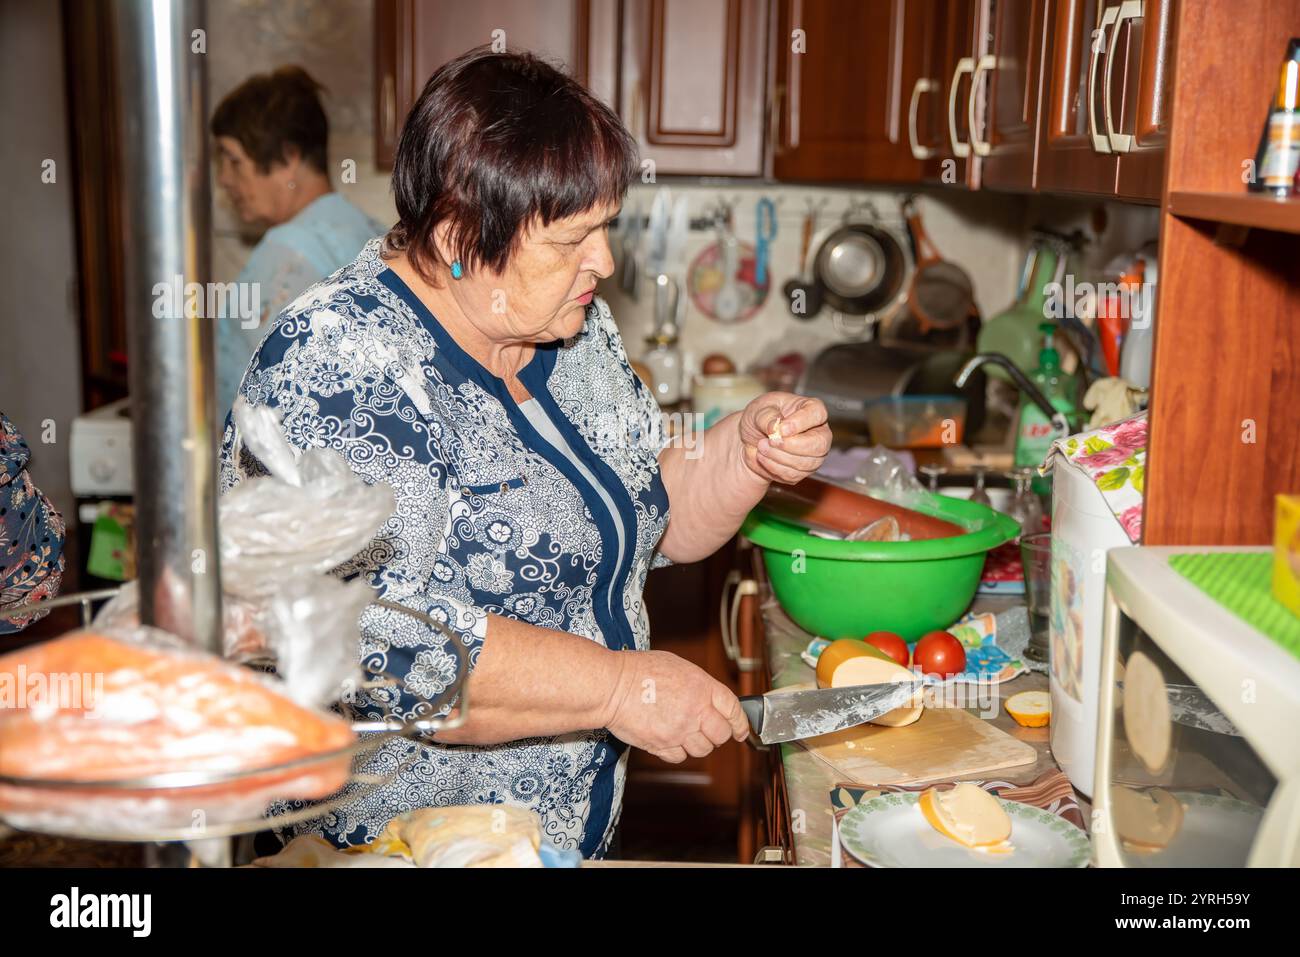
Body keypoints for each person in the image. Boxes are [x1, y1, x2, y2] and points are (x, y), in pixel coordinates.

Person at [218, 47, 830, 859]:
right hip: (387, 844)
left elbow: (651, 510)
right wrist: (621, 686)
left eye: (604, 228)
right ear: (460, 233)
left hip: (547, 839)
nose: (603, 263)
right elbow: (385, 645)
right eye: (573, 238)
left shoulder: (569, 333)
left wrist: (744, 455)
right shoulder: (338, 366)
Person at [210, 65, 382, 418]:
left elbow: (261, 397)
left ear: (289, 158)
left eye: (232, 160)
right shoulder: (371, 231)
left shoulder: (286, 252)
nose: (224, 179)